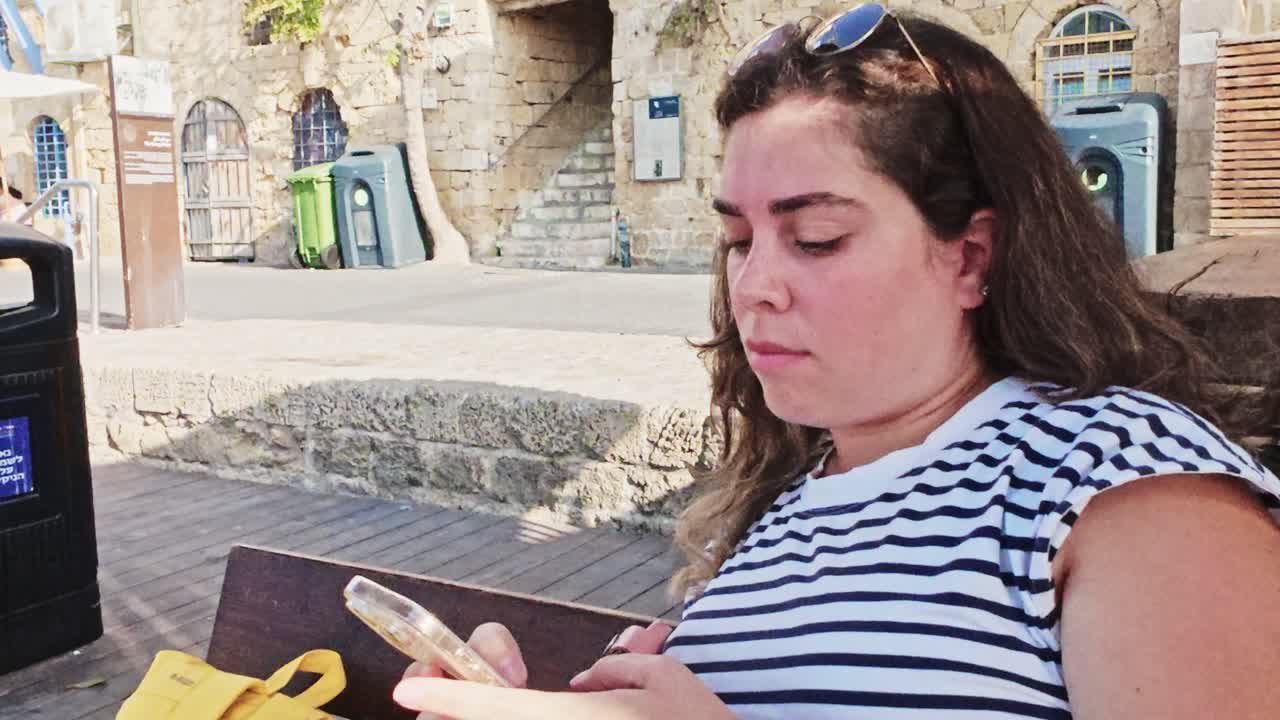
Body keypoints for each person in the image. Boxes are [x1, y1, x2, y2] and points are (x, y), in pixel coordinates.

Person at [394, 4, 1280, 719]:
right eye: (738, 239)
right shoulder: (784, 507)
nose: (753, 288)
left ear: (969, 258)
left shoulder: (1117, 476)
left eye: (816, 238)